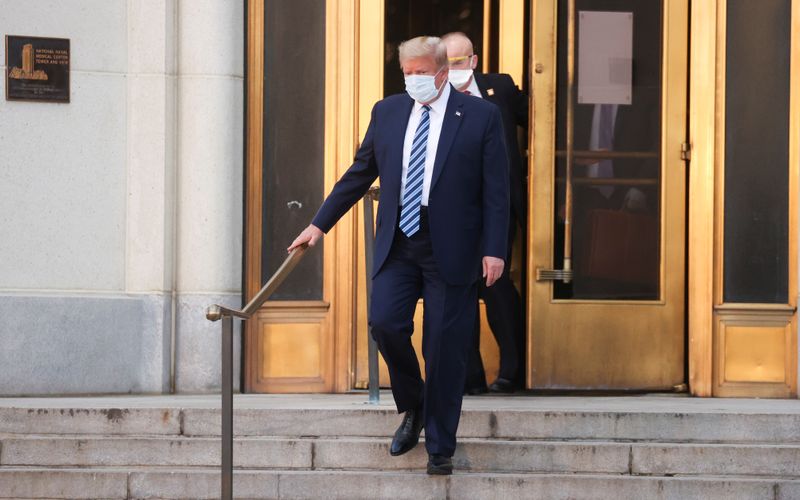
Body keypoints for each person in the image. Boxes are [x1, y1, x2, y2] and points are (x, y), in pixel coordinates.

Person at [288, 35, 509, 475]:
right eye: (407, 74)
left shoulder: (480, 116)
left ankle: (440, 448)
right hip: (399, 243)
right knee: (386, 324)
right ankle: (413, 403)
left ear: (443, 73)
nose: (413, 81)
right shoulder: (387, 112)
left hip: (454, 247)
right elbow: (359, 173)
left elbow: (496, 191)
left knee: (444, 348)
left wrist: (495, 250)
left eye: (421, 73)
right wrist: (318, 224)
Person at [442, 32, 527, 394]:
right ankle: (469, 376)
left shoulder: (500, 89)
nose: (452, 70)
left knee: (495, 284)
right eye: (444, 63)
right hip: (453, 211)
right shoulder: (433, 95)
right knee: (461, 287)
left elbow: (546, 120)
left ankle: (513, 369)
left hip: (497, 207)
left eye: (458, 62)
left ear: (473, 61)